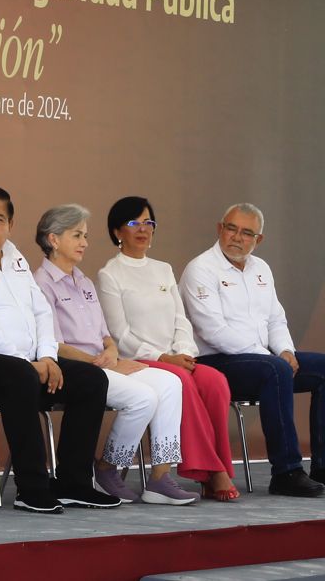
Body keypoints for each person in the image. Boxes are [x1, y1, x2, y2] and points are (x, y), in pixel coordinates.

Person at [0, 184, 121, 513]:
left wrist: (47, 357)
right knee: (20, 376)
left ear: (10, 225)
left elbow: (41, 310)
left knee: (91, 380)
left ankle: (74, 483)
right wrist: (28, 364)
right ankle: (32, 488)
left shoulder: (13, 255)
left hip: (22, 365)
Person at [33, 204, 196, 505]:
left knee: (170, 383)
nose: (84, 242)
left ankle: (160, 477)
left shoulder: (83, 281)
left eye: (85, 235)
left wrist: (110, 351)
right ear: (53, 239)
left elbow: (105, 334)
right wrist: (101, 362)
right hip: (77, 368)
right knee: (143, 398)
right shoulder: (41, 283)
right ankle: (108, 468)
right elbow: (53, 344)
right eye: (76, 235)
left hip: (104, 363)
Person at [94, 196, 239, 501]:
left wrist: (183, 352)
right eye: (134, 223)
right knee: (180, 380)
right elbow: (120, 334)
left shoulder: (163, 269)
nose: (143, 229)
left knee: (215, 381)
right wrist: (163, 357)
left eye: (149, 222)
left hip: (175, 357)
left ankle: (213, 469)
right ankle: (212, 471)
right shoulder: (110, 274)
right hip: (141, 360)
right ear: (117, 231)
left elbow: (180, 319)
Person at [180, 203, 325, 497]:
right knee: (276, 369)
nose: (237, 237)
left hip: (262, 360)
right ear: (219, 229)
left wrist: (285, 350)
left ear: (258, 240)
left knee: (320, 368)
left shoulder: (261, 269)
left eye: (247, 233)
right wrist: (271, 357)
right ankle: (286, 472)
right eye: (231, 228)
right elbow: (213, 332)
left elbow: (276, 319)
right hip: (216, 362)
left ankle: (321, 467)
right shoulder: (200, 269)